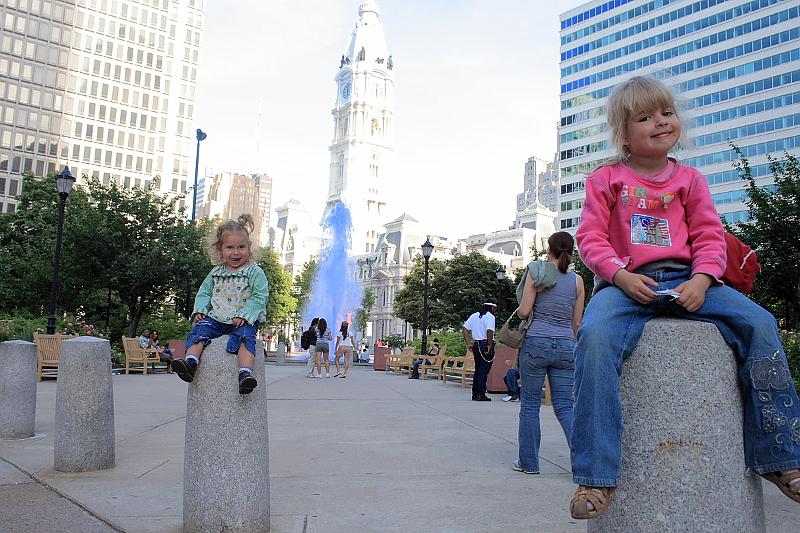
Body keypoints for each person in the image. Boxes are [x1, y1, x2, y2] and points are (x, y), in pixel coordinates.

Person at [569, 75, 800, 519]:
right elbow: (591, 238)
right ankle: (594, 475)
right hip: (625, 283)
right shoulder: (606, 179)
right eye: (645, 117)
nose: (660, 121)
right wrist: (619, 276)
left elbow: (710, 235)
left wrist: (703, 278)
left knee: (761, 324)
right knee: (594, 339)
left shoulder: (690, 179)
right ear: (623, 134)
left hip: (688, 278)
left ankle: (781, 455)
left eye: (666, 112)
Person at [171, 214, 268, 395]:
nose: (236, 252)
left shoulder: (255, 272)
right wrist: (200, 310)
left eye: (241, 247)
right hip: (217, 317)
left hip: (242, 319)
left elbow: (259, 296)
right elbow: (204, 292)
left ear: (249, 247)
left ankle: (245, 374)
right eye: (230, 247)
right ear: (220, 249)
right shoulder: (216, 272)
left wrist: (245, 314)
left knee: (246, 337)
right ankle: (190, 363)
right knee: (200, 329)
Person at [513, 231, 585, 475]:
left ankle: (529, 463)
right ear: (571, 251)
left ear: (549, 249)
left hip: (536, 343)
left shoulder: (537, 272)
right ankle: (583, 465)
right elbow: (577, 323)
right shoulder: (577, 281)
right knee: (565, 406)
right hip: (566, 346)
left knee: (530, 404)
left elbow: (524, 312)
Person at [463, 301, 497, 401]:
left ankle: (475, 394)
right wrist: (489, 345)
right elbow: (489, 331)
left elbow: (465, 328)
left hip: (476, 345)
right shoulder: (490, 316)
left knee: (478, 370)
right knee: (483, 371)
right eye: (494, 308)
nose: (495, 310)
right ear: (491, 307)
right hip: (485, 344)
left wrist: (468, 343)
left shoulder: (474, 315)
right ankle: (481, 394)